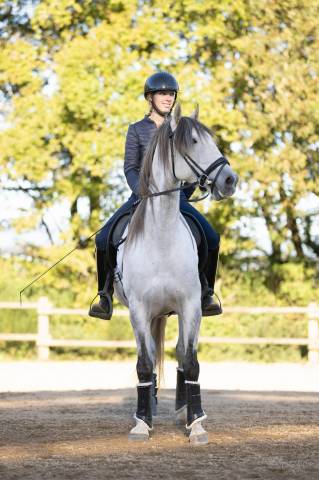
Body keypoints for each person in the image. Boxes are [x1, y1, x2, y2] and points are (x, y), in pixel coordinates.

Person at [89, 71, 221, 320]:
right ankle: (104, 295)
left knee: (212, 238)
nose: (167, 98)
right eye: (162, 93)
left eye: (171, 94)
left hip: (176, 198)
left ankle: (206, 292)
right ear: (149, 97)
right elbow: (129, 166)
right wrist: (141, 191)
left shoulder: (180, 128)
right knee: (103, 238)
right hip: (141, 196)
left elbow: (190, 165)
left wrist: (187, 190)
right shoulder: (137, 130)